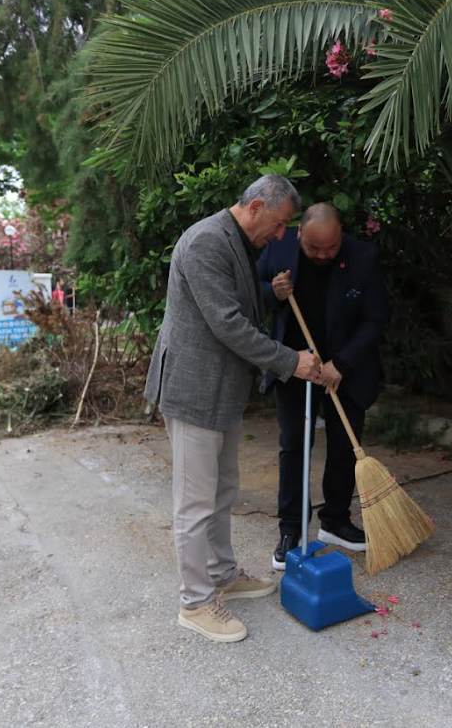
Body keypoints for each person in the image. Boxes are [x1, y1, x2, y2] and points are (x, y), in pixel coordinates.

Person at [143, 174, 323, 644]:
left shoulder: (238, 241)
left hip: (220, 390)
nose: (281, 235)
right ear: (257, 206)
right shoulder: (207, 241)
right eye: (281, 224)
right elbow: (228, 323)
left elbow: (240, 305)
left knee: (223, 490)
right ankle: (195, 602)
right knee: (195, 502)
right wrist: (291, 362)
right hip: (192, 389)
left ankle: (222, 573)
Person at [256, 203, 388, 570]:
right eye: (315, 249)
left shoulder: (363, 257)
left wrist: (340, 365)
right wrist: (273, 292)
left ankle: (335, 521)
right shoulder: (279, 247)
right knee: (295, 445)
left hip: (346, 365)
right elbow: (249, 290)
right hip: (295, 365)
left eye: (330, 249)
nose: (323, 255)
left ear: (340, 236)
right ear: (300, 234)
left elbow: (375, 319)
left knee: (346, 446)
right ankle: (291, 530)